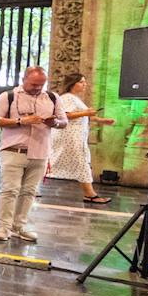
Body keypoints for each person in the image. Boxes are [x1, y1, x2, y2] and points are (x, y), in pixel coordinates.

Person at [0, 66, 67, 242]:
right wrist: (21, 121)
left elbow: (64, 121)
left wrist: (54, 122)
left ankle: (19, 226)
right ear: (23, 79)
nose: (37, 88)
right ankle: (3, 227)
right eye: (33, 84)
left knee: (29, 192)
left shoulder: (53, 98)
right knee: (10, 190)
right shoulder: (8, 96)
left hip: (40, 152)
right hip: (13, 151)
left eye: (41, 84)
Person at [47, 72, 115, 204]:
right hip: (70, 137)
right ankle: (90, 194)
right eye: (81, 82)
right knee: (82, 162)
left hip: (75, 136)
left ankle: (30, 185)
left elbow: (83, 115)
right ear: (73, 84)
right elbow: (66, 114)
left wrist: (102, 120)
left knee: (59, 161)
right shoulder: (67, 97)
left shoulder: (74, 98)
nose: (85, 85)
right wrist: (87, 112)